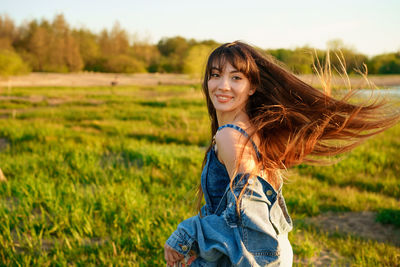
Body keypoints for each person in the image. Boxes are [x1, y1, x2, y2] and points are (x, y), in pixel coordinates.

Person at [164, 41, 398, 266]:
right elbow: (234, 208)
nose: (223, 85)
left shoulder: (230, 136)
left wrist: (187, 233)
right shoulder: (252, 126)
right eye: (215, 75)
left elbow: (249, 219)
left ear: (252, 86)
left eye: (236, 77)